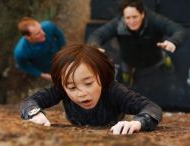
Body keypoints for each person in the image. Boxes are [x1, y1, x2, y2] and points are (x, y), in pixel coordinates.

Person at [20, 43, 162, 135]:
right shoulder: (60, 89)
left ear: (101, 76)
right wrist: (35, 113)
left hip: (110, 123)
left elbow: (151, 108)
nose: (81, 93)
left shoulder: (113, 90)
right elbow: (30, 101)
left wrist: (138, 123)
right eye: (72, 87)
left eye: (88, 83)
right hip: (76, 122)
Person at [87, 0, 187, 86]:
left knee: (163, 59)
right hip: (128, 58)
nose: (131, 21)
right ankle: (128, 78)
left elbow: (179, 30)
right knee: (126, 72)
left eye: (135, 17)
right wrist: (95, 46)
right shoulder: (117, 24)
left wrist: (173, 42)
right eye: (128, 18)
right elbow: (96, 36)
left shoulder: (154, 20)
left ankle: (166, 64)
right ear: (123, 16)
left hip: (155, 55)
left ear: (142, 14)